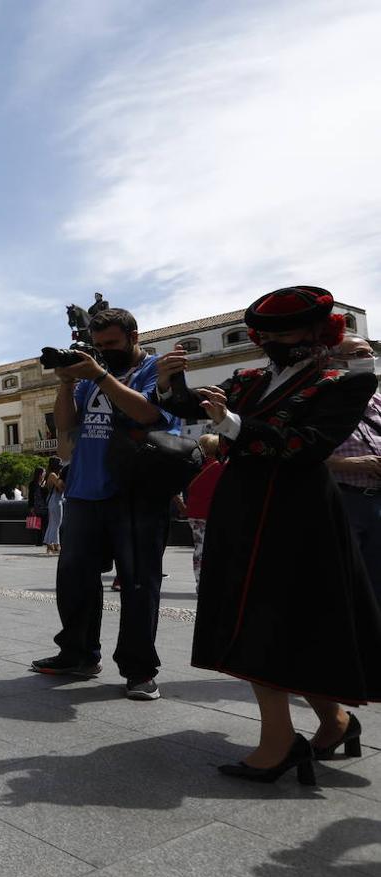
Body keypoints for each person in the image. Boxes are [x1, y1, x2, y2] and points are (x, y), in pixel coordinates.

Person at [155, 286, 380, 783]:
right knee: (269, 613)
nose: (277, 342)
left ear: (321, 333)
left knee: (277, 614)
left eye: (290, 332)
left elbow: (306, 445)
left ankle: (279, 741)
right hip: (245, 504)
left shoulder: (342, 384)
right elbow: (196, 407)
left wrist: (231, 425)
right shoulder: (251, 378)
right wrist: (172, 384)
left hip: (298, 512)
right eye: (269, 334)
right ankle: (335, 720)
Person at [30, 306, 182, 702]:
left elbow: (148, 413)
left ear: (133, 336)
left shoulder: (155, 370)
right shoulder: (89, 377)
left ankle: (139, 670)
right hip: (83, 490)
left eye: (111, 344)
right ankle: (77, 653)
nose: (104, 351)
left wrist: (99, 374)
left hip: (137, 492)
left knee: (138, 583)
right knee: (75, 579)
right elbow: (65, 424)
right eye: (98, 346)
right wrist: (65, 383)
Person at [324, 334, 380, 599]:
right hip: (344, 499)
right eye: (359, 354)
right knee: (348, 583)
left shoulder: (378, 402)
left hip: (377, 500)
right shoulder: (319, 402)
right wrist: (349, 464)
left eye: (370, 353)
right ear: (335, 360)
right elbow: (297, 452)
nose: (368, 359)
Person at [183, 434, 224, 587]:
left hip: (194, 513)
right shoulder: (219, 466)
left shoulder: (195, 465)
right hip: (210, 513)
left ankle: (200, 581)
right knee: (211, 548)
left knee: (199, 547)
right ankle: (208, 582)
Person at [42, 456, 65, 554]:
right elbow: (60, 487)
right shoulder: (53, 475)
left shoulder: (50, 474)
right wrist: (62, 478)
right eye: (60, 466)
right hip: (56, 500)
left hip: (53, 500)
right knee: (56, 524)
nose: (61, 468)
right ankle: (56, 544)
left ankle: (49, 543)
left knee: (52, 523)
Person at [26, 467, 49, 548]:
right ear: (39, 474)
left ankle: (45, 541)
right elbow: (30, 496)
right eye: (43, 472)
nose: (45, 473)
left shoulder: (45, 482)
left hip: (45, 506)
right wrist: (31, 507)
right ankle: (39, 542)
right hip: (36, 506)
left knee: (45, 524)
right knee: (38, 525)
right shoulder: (33, 484)